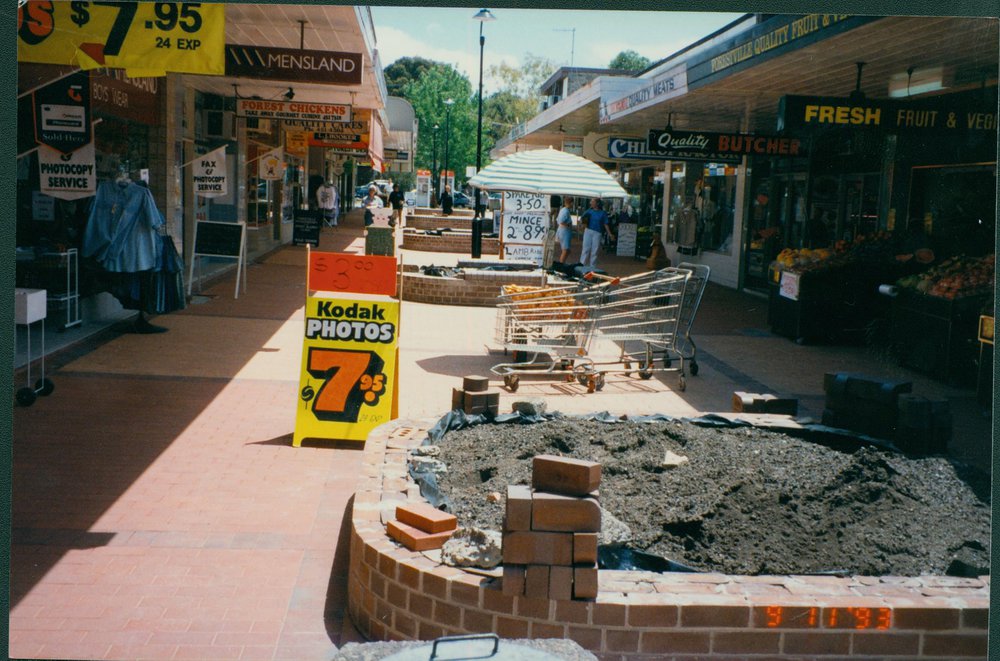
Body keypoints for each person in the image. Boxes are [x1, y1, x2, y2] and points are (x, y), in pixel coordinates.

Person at [579, 197, 614, 269]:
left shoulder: (603, 213)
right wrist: (582, 225)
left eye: (592, 201)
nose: (590, 203)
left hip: (597, 233)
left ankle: (592, 267)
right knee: (586, 249)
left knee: (594, 251)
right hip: (588, 231)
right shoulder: (589, 211)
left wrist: (610, 234)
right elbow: (582, 219)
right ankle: (582, 265)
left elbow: (605, 224)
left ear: (597, 203)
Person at [555, 196, 575, 264]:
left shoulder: (563, 210)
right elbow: (561, 221)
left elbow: (558, 220)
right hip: (565, 231)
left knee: (567, 250)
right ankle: (561, 263)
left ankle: (562, 262)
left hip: (564, 231)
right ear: (571, 203)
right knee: (565, 250)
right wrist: (568, 225)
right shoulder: (565, 211)